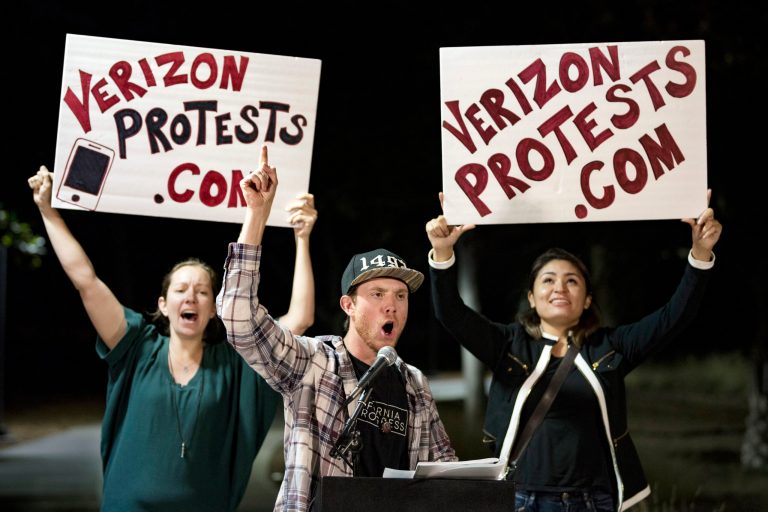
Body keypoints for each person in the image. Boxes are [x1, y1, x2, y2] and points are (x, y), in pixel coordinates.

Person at [27, 165, 318, 512]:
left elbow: (300, 319)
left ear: (215, 309)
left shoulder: (236, 364)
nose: (191, 296)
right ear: (164, 305)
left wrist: (302, 238)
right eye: (180, 290)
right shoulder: (136, 346)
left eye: (202, 291)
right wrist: (47, 210)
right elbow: (85, 281)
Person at [425, 192, 722, 512]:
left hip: (593, 501)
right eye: (548, 280)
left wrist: (700, 253)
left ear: (587, 299)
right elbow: (451, 313)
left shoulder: (611, 346)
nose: (560, 288)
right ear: (532, 297)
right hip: (521, 499)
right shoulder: (509, 344)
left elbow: (674, 317)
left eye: (572, 281)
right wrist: (442, 252)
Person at [217, 146, 457, 512]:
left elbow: (444, 468)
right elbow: (239, 320)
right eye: (377, 294)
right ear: (348, 305)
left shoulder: (414, 384)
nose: (391, 305)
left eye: (400, 295)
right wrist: (256, 215)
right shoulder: (313, 363)